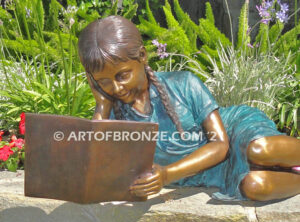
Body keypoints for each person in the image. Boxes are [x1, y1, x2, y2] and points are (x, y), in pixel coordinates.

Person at [78, 15, 300, 201]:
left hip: (231, 131)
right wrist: (101, 105)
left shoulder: (183, 83)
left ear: (143, 56)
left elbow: (221, 145)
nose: (116, 88)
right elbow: (96, 169)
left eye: (122, 75)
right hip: (213, 173)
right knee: (256, 187)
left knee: (260, 150)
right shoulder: (116, 115)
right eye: (104, 81)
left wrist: (167, 175)